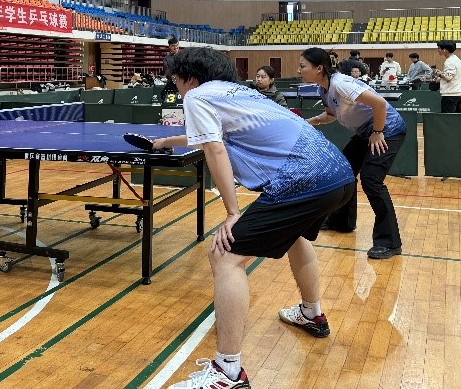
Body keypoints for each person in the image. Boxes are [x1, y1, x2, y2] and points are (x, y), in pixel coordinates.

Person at [152, 47, 355, 389]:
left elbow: (215, 148)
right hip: (339, 174)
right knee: (295, 236)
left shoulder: (198, 95)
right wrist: (165, 142)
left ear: (190, 77)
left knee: (225, 255)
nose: (177, 88)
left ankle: (227, 372)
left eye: (176, 80)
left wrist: (233, 213)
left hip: (302, 178)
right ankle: (312, 313)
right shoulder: (239, 92)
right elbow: (214, 136)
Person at [299, 47, 406, 259]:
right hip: (367, 132)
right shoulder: (324, 89)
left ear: (319, 68)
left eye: (303, 66)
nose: (299, 70)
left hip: (387, 129)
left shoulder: (341, 84)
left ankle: (390, 243)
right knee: (344, 172)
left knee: (371, 181)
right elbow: (330, 115)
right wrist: (308, 122)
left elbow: (379, 104)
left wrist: (378, 132)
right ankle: (343, 222)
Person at [433, 40, 461, 113]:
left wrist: (438, 73)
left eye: (439, 48)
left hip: (450, 95)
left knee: (447, 118)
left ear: (445, 50)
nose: (438, 50)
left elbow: (448, 77)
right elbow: (452, 75)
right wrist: (441, 76)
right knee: (457, 117)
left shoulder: (449, 61)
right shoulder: (456, 59)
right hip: (457, 93)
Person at [160, 36, 180, 101]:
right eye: (173, 46)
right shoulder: (166, 58)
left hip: (183, 85)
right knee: (170, 103)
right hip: (172, 85)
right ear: (169, 47)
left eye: (177, 45)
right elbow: (166, 71)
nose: (175, 47)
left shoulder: (184, 56)